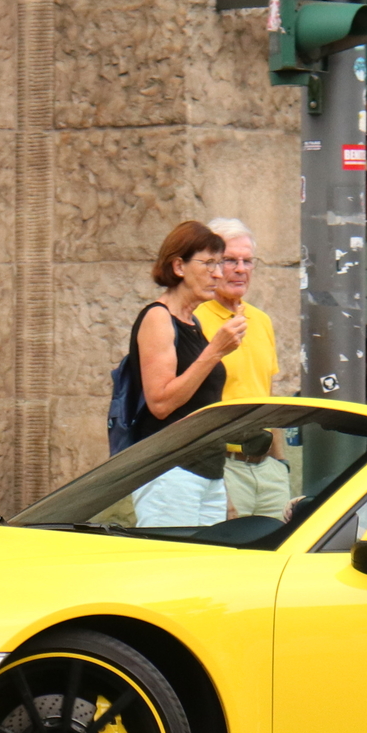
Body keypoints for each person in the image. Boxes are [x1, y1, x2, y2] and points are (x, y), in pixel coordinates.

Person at [126, 220, 243, 527]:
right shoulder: (158, 317)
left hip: (207, 470)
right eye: (209, 264)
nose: (218, 274)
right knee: (170, 567)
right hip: (169, 469)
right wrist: (215, 351)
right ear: (179, 266)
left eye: (220, 264)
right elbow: (161, 403)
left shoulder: (193, 323)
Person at [195, 217, 287, 519]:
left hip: (268, 470)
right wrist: (213, 477)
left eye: (248, 261)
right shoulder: (194, 320)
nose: (240, 269)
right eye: (230, 260)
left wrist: (280, 465)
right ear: (211, 265)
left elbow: (269, 400)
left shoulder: (261, 320)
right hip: (222, 468)